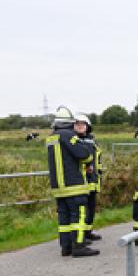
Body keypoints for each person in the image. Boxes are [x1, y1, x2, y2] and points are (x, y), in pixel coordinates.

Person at [45, 107, 99, 257]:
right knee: (78, 216)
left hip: (58, 186)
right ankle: (79, 246)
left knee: (64, 219)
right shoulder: (69, 135)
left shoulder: (51, 137)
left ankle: (66, 247)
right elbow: (85, 155)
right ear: (70, 122)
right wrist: (87, 156)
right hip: (74, 185)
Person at [74, 113, 103, 241]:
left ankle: (88, 231)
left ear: (88, 126)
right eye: (77, 124)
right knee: (82, 210)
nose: (80, 126)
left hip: (93, 180)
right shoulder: (73, 140)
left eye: (83, 124)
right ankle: (81, 235)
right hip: (81, 181)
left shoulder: (92, 140)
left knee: (91, 208)